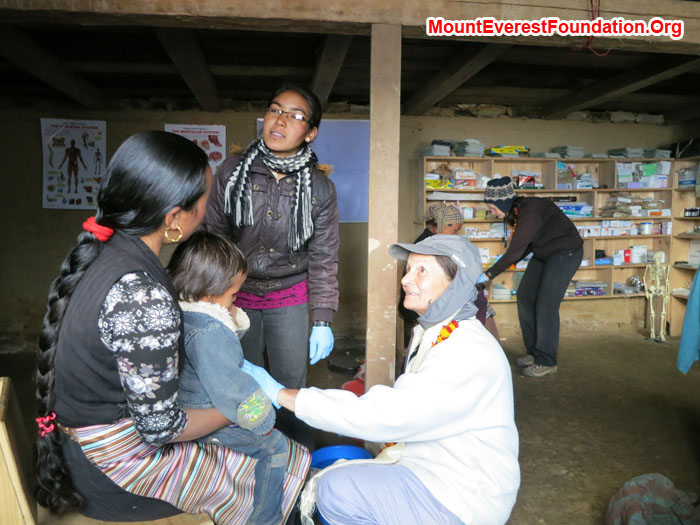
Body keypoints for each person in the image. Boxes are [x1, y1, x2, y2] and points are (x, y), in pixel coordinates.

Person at [34, 131, 310, 524]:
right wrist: (236, 407)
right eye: (204, 199)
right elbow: (162, 428)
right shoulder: (142, 295)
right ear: (174, 219)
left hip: (77, 446)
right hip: (113, 465)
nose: (208, 207)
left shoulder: (100, 253)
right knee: (280, 466)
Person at [244, 235, 521, 525]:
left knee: (334, 490)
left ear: (457, 283)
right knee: (343, 475)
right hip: (440, 470)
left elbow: (385, 415)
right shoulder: (435, 332)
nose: (405, 279)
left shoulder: (466, 352)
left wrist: (281, 395)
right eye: (408, 269)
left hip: (464, 499)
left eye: (422, 271)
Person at [203, 83, 339, 449]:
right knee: (240, 381)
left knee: (289, 383)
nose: (280, 120)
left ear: (310, 132)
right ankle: (250, 454)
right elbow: (213, 238)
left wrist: (322, 318)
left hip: (289, 295)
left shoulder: (320, 188)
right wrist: (213, 301)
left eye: (295, 116)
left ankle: (295, 454)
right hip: (237, 295)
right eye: (276, 110)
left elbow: (324, 256)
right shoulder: (233, 172)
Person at [167, 230, 294, 525]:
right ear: (209, 295)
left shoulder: (182, 313)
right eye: (234, 295)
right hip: (202, 415)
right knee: (275, 447)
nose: (236, 301)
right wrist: (263, 418)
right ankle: (266, 519)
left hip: (185, 406)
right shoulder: (211, 333)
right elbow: (234, 393)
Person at [481, 176, 583, 378]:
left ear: (503, 202)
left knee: (546, 305)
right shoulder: (517, 212)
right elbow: (523, 247)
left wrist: (488, 274)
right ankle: (534, 352)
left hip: (565, 253)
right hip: (544, 253)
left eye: (493, 208)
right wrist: (504, 265)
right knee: (525, 297)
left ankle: (546, 360)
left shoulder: (530, 212)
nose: (492, 212)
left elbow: (515, 250)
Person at [400, 202, 499, 343]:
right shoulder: (428, 246)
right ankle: (487, 342)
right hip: (417, 305)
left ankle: (487, 342)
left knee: (478, 298)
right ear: (443, 226)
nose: (456, 234)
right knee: (478, 300)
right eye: (455, 230)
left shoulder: (436, 242)